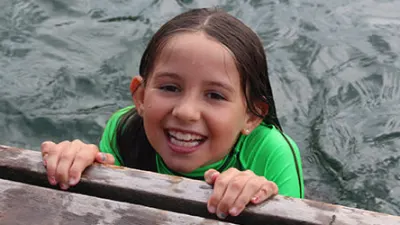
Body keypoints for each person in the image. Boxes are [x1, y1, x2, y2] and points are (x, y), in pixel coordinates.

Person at [41, 8, 304, 219]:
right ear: (141, 97)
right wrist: (79, 167)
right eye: (170, 87)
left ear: (252, 115)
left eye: (215, 95)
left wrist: (260, 200)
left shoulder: (272, 153)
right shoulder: (125, 129)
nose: (186, 112)